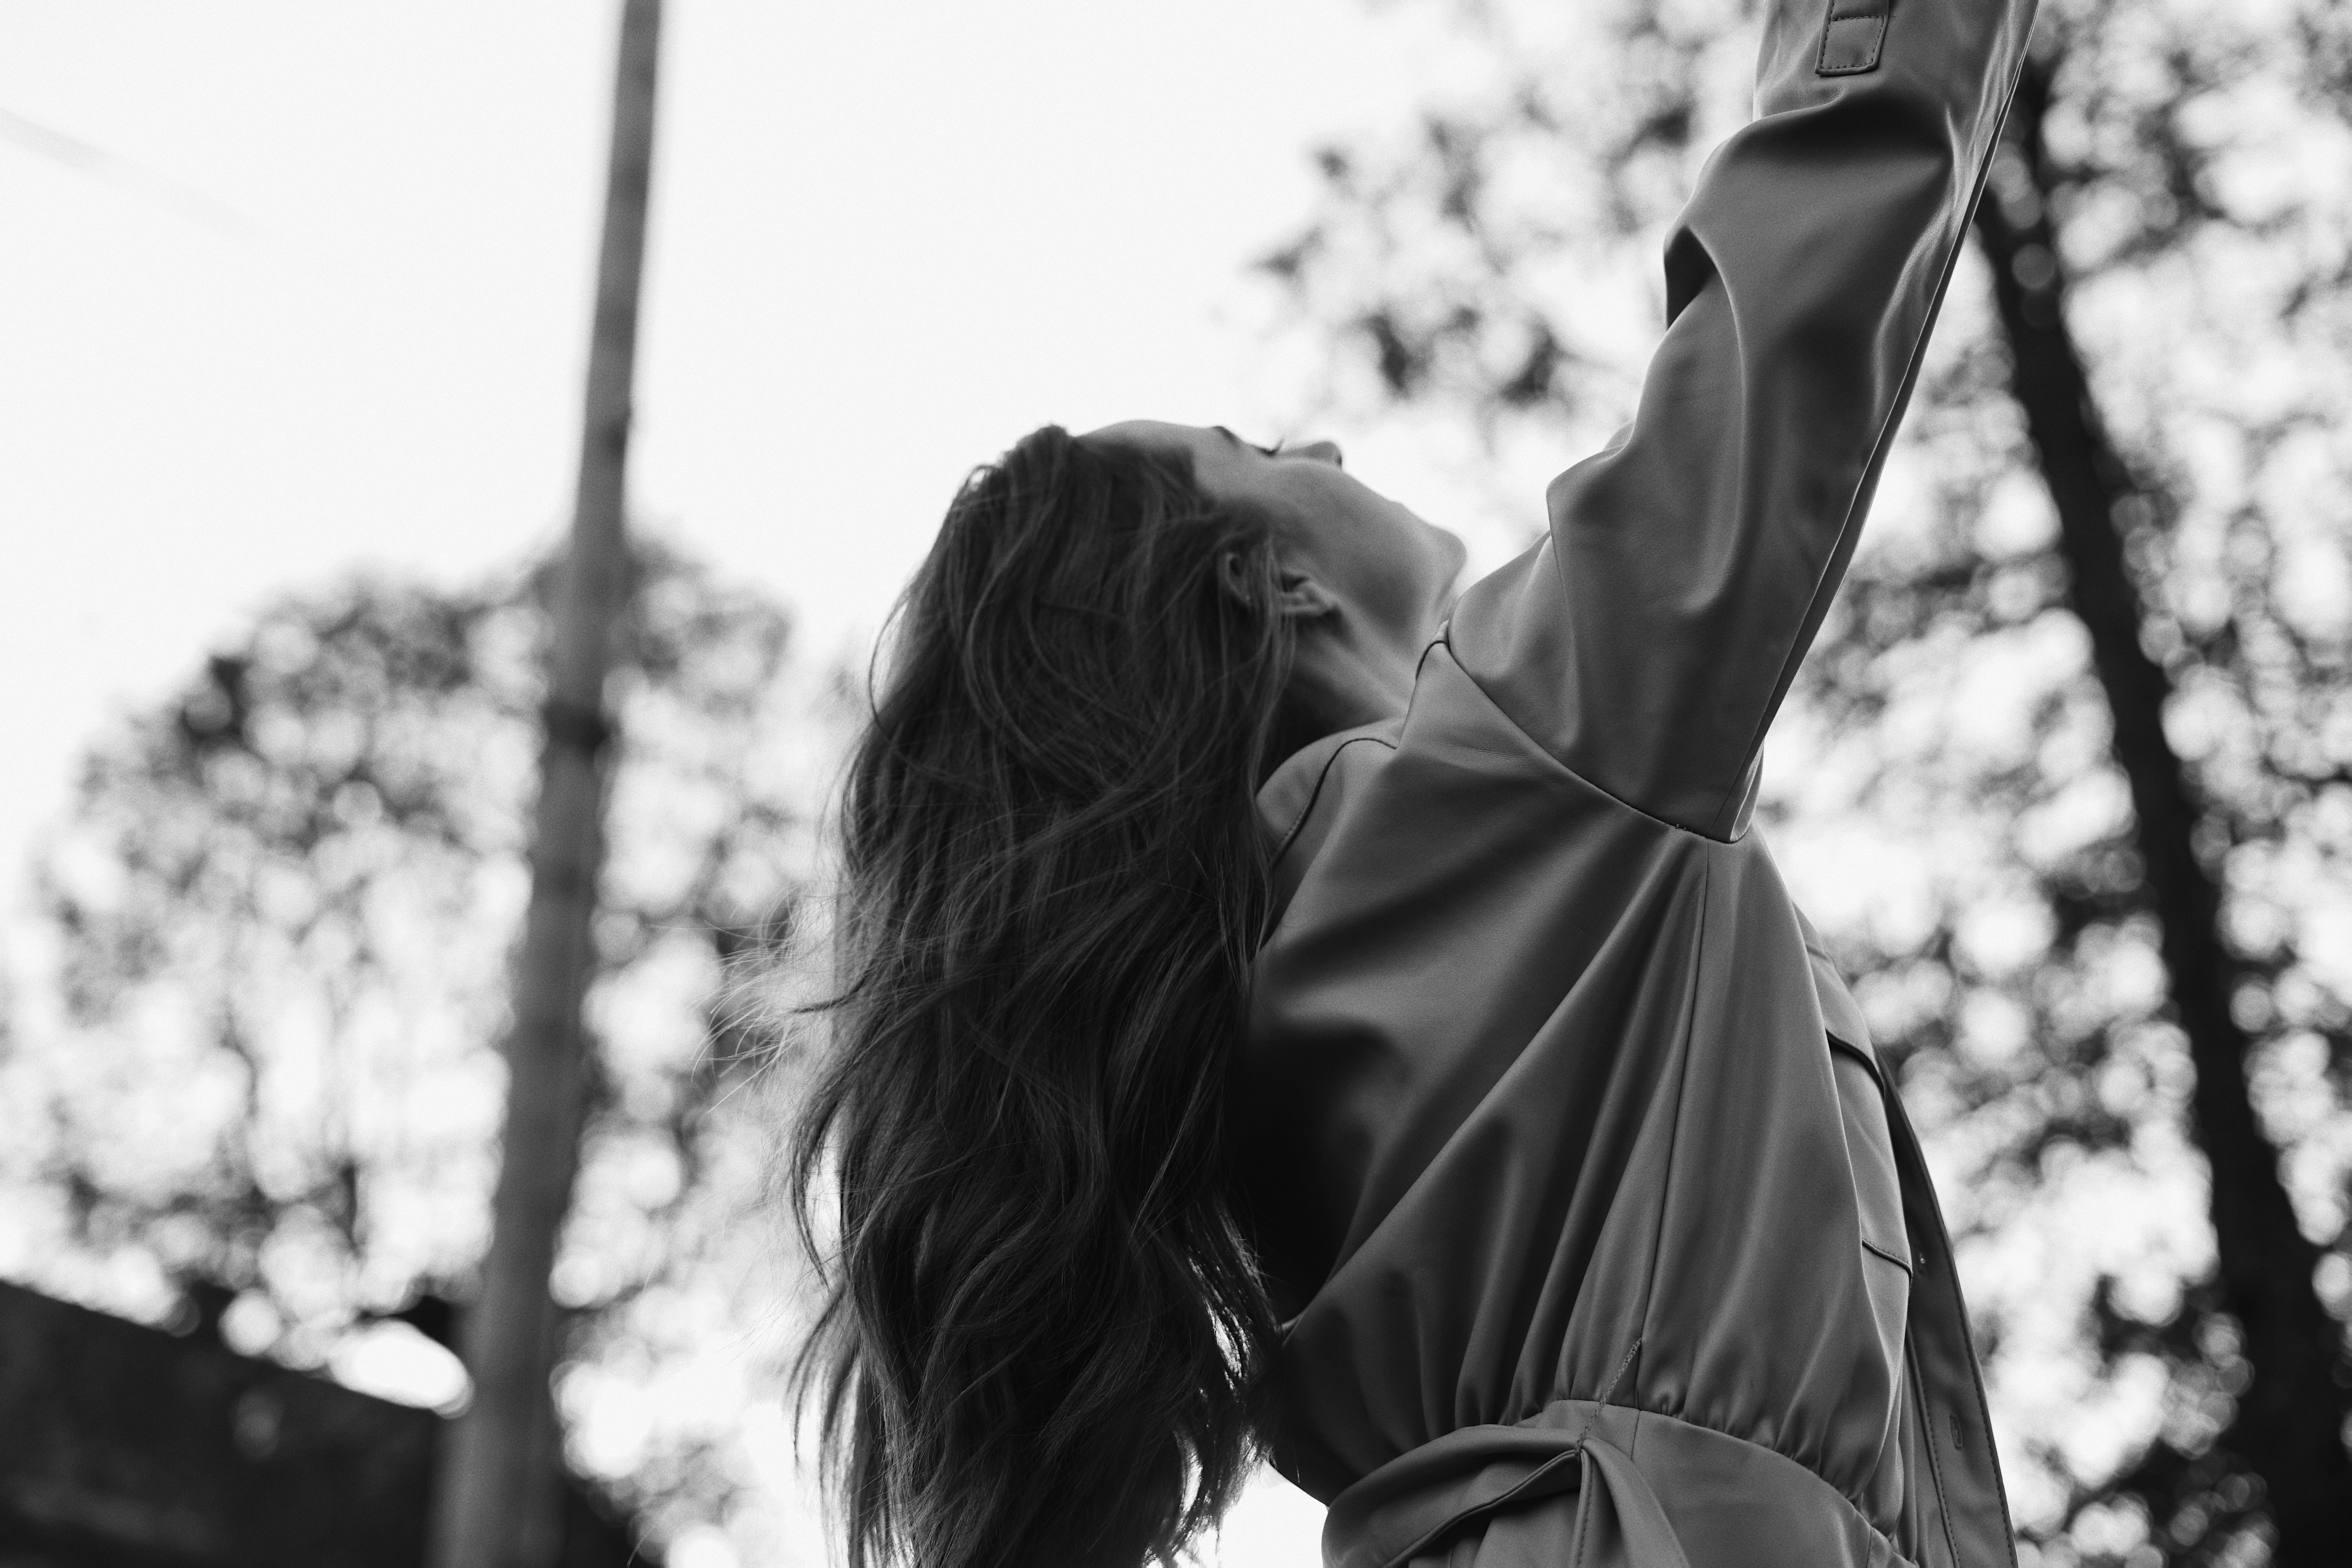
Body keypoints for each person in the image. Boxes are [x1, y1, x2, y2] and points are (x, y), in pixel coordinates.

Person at [789, 0, 2038, 1561]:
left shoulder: (1256, 975)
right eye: (1260, 447)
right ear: (1276, 587)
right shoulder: (1515, 765)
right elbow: (1801, 275)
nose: (1315, 437)